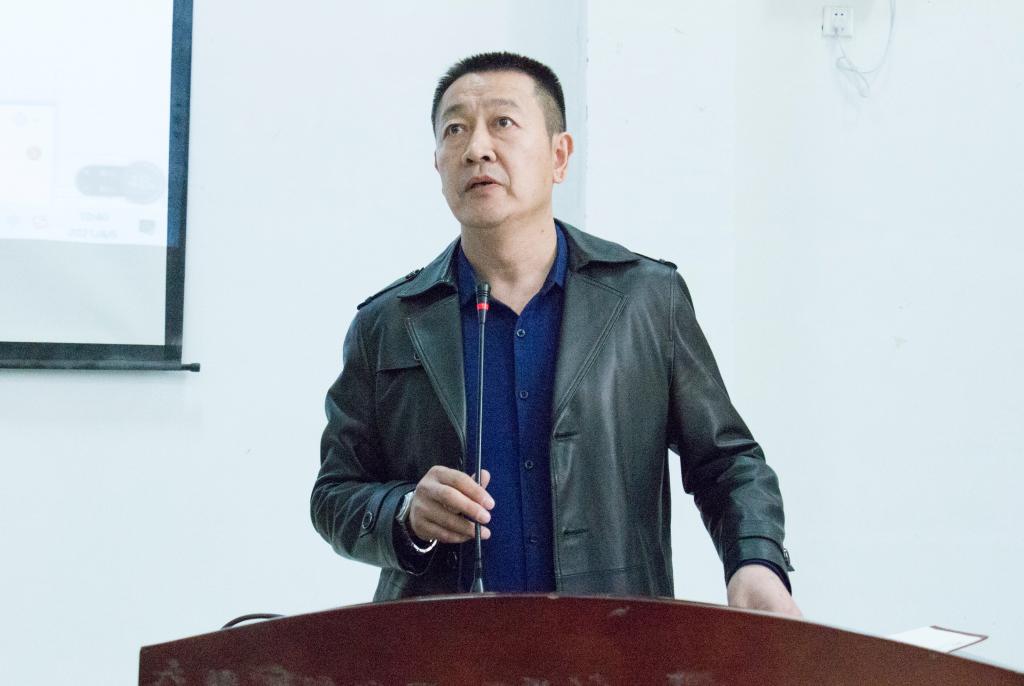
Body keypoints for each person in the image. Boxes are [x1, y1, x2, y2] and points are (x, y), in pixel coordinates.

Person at [311, 52, 800, 617]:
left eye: (503, 122)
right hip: (441, 648)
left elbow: (727, 462)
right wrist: (404, 513)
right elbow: (334, 493)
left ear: (559, 156)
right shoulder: (388, 322)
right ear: (438, 163)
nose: (476, 148)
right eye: (455, 129)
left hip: (615, 640)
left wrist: (755, 562)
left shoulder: (645, 299)